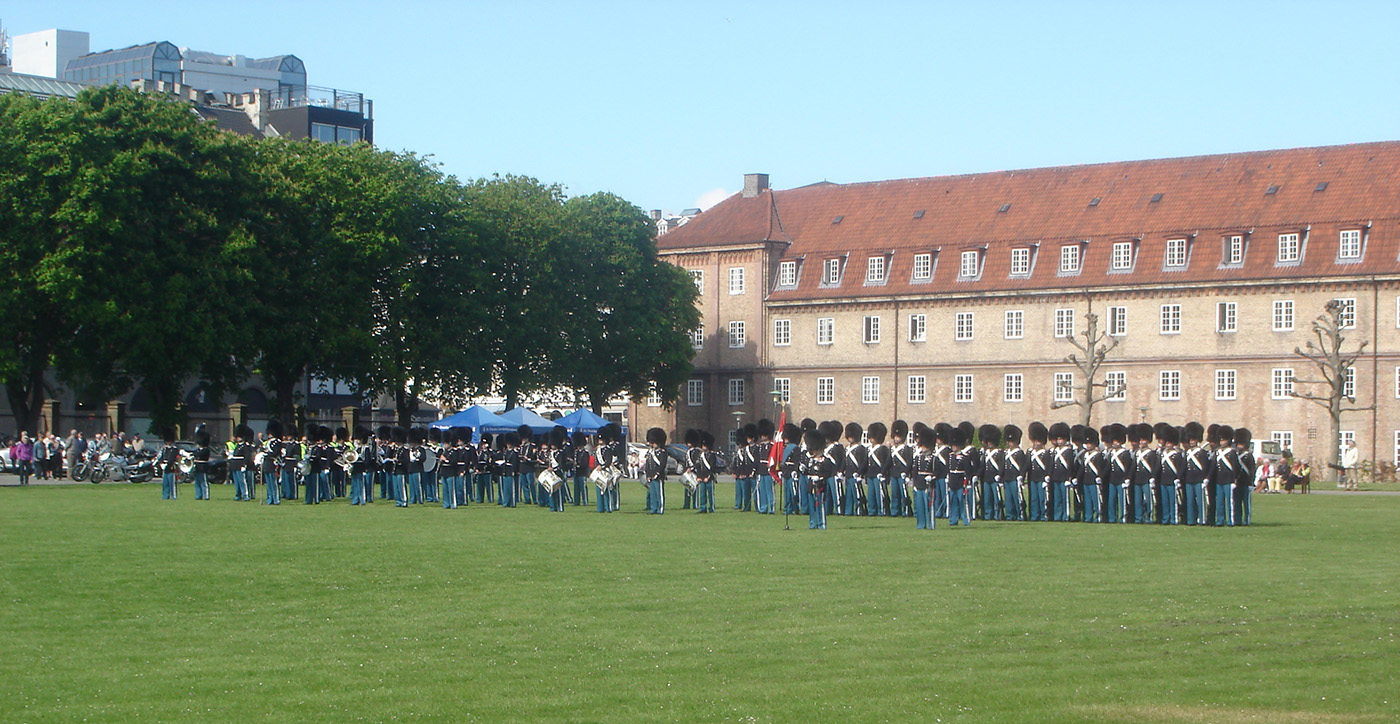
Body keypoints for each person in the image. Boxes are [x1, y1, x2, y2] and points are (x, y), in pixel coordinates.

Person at [801, 429, 831, 530]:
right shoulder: (810, 461)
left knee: (820, 506)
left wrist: (821, 477)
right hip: (811, 485)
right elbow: (806, 472)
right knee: (811, 506)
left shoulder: (825, 460)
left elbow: (828, 472)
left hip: (820, 485)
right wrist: (802, 469)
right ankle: (812, 523)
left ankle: (821, 524)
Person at [1182, 422, 1210, 525]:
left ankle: (1201, 519)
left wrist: (1205, 478)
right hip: (1189, 479)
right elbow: (1184, 466)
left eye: (1193, 439)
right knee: (1190, 501)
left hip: (1199, 479)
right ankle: (1191, 520)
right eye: (1190, 440)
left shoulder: (1201, 452)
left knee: (1200, 502)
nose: (1192, 442)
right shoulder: (1188, 452)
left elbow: (1204, 467)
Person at [1210, 425, 1238, 527]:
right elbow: (1213, 466)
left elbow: (1235, 467)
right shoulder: (1217, 452)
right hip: (1219, 480)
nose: (1222, 442)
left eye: (1224, 440)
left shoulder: (1232, 452)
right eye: (1221, 440)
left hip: (1228, 480)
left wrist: (1234, 480)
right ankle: (1220, 520)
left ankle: (1231, 520)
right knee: (1219, 502)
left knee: (1229, 502)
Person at [910, 426, 936, 530]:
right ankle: (920, 524)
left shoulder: (933, 458)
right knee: (920, 506)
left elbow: (936, 471)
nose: (923, 448)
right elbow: (915, 471)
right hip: (919, 483)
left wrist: (932, 477)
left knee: (928, 506)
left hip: (928, 484)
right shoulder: (918, 457)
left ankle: (930, 524)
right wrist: (914, 483)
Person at [863, 422, 889, 517]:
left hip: (878, 474)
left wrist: (882, 473)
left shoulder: (883, 449)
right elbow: (865, 463)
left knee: (879, 494)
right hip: (870, 474)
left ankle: (881, 511)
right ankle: (871, 511)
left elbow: (886, 462)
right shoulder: (868, 449)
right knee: (871, 494)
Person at [842, 422, 866, 516]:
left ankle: (859, 510)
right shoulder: (847, 448)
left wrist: (859, 472)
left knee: (857, 494)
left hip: (855, 474)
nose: (850, 438)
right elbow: (844, 461)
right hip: (848, 474)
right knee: (848, 495)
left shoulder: (860, 449)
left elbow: (862, 462)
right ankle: (848, 511)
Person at [642, 427, 668, 514]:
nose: (652, 444)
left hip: (658, 476)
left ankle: (660, 509)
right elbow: (648, 464)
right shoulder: (650, 452)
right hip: (651, 476)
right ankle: (653, 509)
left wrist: (657, 473)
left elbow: (662, 465)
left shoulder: (662, 452)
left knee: (659, 494)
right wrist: (648, 475)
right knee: (652, 494)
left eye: (653, 442)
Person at [754, 419, 777, 515]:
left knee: (769, 490)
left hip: (769, 471)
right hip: (761, 470)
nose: (762, 437)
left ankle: (771, 507)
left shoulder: (773, 446)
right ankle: (763, 508)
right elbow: (757, 460)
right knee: (761, 491)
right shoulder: (759, 447)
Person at [1234, 428, 1255, 526]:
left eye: (1241, 444)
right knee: (1236, 503)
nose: (1239, 446)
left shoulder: (1248, 456)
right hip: (1237, 482)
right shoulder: (1235, 456)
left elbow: (1251, 470)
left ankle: (1246, 520)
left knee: (1246, 504)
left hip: (1246, 482)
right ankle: (1237, 520)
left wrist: (1251, 483)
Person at [229, 425, 254, 501]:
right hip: (235, 465)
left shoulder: (245, 446)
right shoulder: (237, 446)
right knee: (236, 482)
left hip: (240, 464)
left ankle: (245, 495)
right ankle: (238, 494)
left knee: (242, 481)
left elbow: (246, 456)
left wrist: (244, 465)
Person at [158, 428, 180, 500]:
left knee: (172, 484)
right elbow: (160, 457)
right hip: (164, 467)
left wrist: (167, 465)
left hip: (171, 468)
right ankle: (165, 496)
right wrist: (161, 464)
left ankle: (173, 496)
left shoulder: (174, 449)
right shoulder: (164, 449)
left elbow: (172, 458)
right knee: (165, 484)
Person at [570, 432, 590, 507]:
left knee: (583, 487)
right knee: (576, 488)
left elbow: (584, 463)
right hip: (577, 472)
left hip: (582, 472)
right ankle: (576, 501)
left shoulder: (585, 453)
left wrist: (576, 464)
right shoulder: (576, 452)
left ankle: (585, 501)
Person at [192, 430, 212, 500]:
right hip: (197, 467)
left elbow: (199, 454)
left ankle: (206, 495)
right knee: (197, 482)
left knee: (204, 482)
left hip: (203, 467)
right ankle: (198, 495)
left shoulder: (206, 450)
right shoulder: (198, 449)